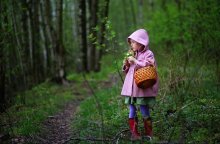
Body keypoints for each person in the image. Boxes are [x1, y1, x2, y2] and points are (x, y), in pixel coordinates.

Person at [121, 29, 159, 141]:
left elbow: (149, 66)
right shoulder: (133, 53)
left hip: (142, 88)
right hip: (131, 89)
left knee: (143, 109)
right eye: (131, 42)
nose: (131, 44)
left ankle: (149, 134)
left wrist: (136, 61)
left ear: (141, 42)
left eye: (133, 42)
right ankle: (135, 134)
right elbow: (126, 71)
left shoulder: (148, 53)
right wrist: (126, 64)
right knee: (131, 109)